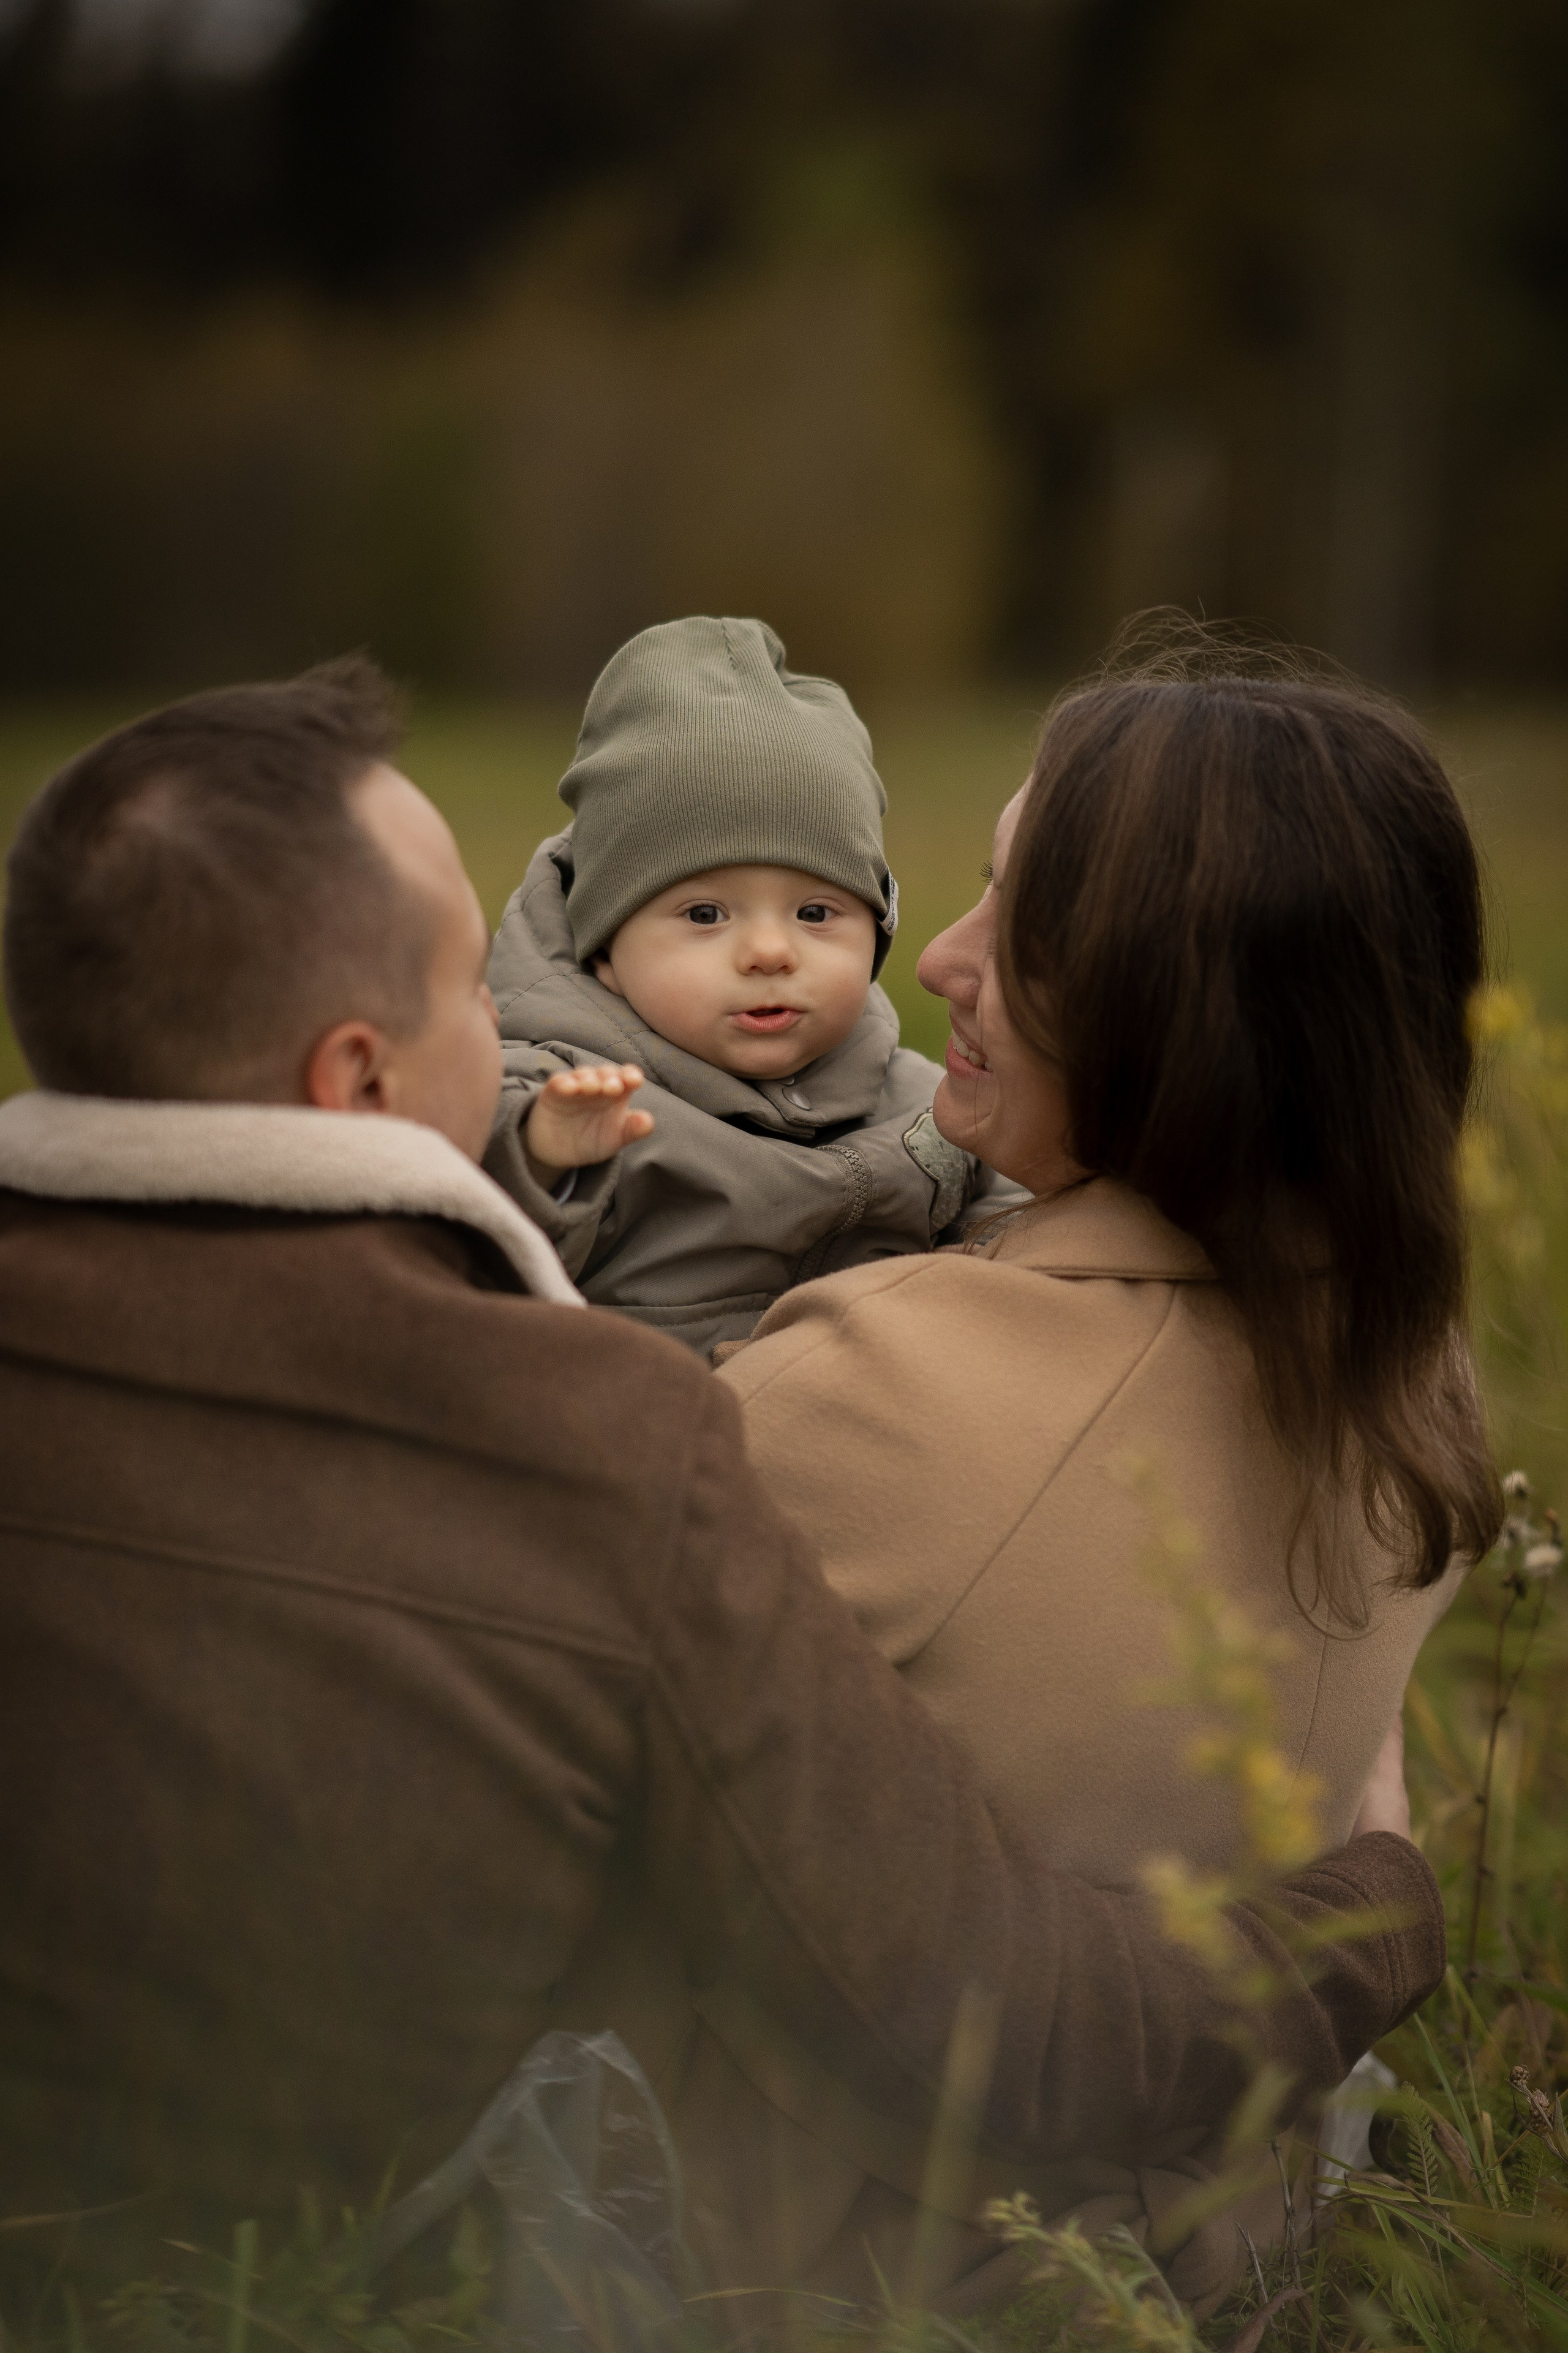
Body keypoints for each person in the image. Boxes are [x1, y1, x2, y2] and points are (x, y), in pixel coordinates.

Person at [0, 658, 1439, 2326]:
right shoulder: (597, 1443)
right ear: (356, 1078)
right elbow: (1011, 2020)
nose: (930, 959)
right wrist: (1384, 1892)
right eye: (488, 981)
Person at [701, 643, 1501, 2307]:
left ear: (1177, 1002)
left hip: (843, 2274)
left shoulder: (874, 1390)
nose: (936, 959)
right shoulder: (1418, 1381)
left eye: (1026, 928)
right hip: (1239, 2232)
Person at [481, 615, 1021, 1358]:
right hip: (651, 1440)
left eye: (815, 912)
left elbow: (1030, 1230)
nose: (769, 951)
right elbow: (450, 1254)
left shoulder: (923, 1097)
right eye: (705, 914)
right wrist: (537, 1159)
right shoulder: (564, 1094)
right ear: (604, 946)